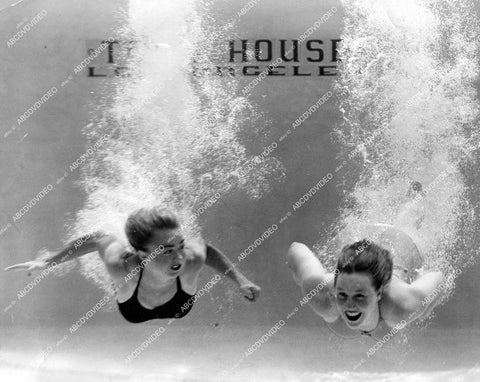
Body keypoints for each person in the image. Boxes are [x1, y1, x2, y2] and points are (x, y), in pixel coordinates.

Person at [4, 206, 260, 323]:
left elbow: (207, 249)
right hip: (134, 307)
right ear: (139, 253)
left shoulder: (192, 259)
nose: (178, 257)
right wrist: (47, 261)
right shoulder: (122, 266)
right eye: (166, 250)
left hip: (179, 303)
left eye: (180, 245)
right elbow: (97, 239)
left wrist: (241, 280)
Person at [286, 225, 446, 337]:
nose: (349, 305)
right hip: (356, 236)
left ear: (379, 293)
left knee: (409, 223)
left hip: (399, 243)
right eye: (342, 294)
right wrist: (298, 276)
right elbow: (296, 248)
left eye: (359, 296)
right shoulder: (321, 295)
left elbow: (439, 276)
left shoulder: (403, 305)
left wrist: (425, 309)